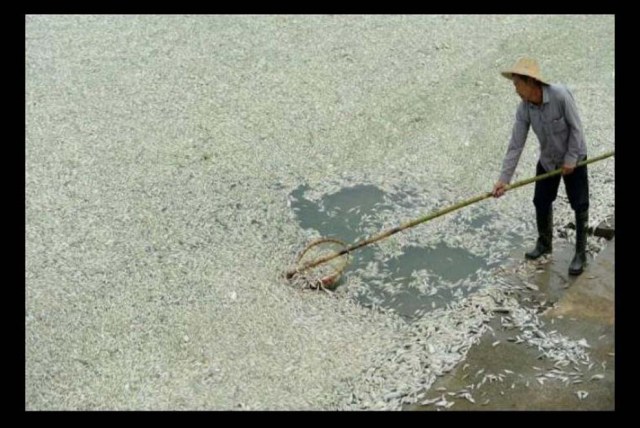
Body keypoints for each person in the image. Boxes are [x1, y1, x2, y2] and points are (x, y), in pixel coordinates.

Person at [492, 57, 589, 275]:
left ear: (530, 82)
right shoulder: (524, 108)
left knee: (580, 204)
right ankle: (545, 243)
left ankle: (580, 253)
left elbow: (576, 130)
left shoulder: (560, 96)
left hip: (575, 155)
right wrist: (503, 180)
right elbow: (515, 145)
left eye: (517, 84)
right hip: (549, 159)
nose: (515, 89)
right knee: (541, 201)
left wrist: (571, 160)